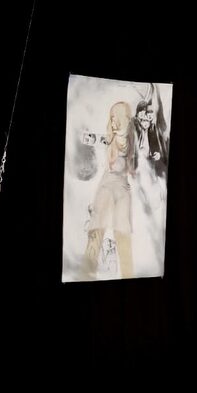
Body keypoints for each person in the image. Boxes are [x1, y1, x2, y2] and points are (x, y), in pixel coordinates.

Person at [82, 101, 136, 280]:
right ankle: (87, 273)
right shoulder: (110, 138)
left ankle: (126, 274)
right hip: (107, 186)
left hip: (122, 188)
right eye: (111, 119)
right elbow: (98, 139)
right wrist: (90, 138)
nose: (112, 122)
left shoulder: (131, 141)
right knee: (97, 228)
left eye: (115, 118)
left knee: (123, 232)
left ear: (123, 119)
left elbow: (133, 164)